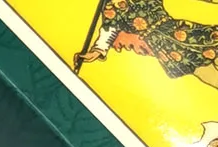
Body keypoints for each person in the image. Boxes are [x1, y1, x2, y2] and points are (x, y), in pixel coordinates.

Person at [75, 0, 218, 89]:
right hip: (164, 47)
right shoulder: (110, 6)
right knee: (205, 72)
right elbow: (109, 30)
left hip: (176, 30)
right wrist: (97, 51)